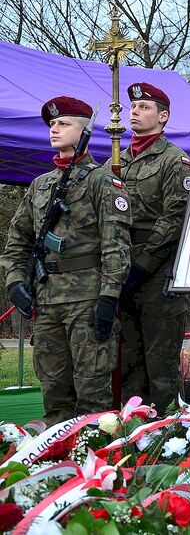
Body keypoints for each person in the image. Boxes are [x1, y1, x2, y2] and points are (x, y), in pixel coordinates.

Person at [1, 97, 131, 425]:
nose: (54, 129)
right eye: (52, 124)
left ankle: (95, 453)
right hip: (46, 299)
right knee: (54, 390)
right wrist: (15, 282)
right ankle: (58, 453)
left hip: (87, 298)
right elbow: (17, 242)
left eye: (63, 124)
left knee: (92, 392)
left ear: (84, 131)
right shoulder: (41, 185)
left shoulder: (102, 181)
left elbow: (116, 245)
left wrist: (109, 296)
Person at [116, 82, 190, 412]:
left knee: (160, 366)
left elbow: (175, 218)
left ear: (163, 117)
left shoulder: (175, 161)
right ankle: (131, 425)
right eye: (133, 107)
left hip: (158, 273)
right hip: (120, 268)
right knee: (128, 362)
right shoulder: (116, 161)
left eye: (144, 107)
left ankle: (167, 430)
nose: (135, 111)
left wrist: (143, 265)